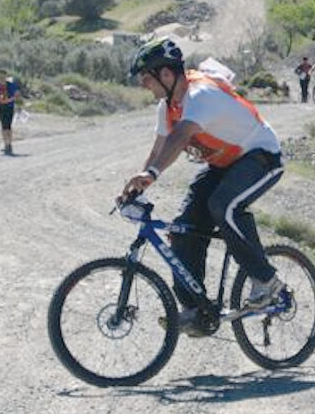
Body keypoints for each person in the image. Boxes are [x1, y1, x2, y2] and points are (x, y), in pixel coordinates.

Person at [120, 37, 285, 337]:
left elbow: (181, 136)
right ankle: (196, 310)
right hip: (225, 164)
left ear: (166, 75)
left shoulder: (201, 95)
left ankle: (266, 280)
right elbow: (160, 146)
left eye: (146, 78)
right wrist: (139, 184)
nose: (144, 85)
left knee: (223, 206)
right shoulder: (167, 106)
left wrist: (153, 173)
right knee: (182, 229)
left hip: (261, 156)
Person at [0, 72, 21, 155]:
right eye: (0, 76)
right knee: (3, 126)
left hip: (9, 107)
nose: (2, 78)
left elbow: (17, 95)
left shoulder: (11, 85)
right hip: (1, 107)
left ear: (6, 76)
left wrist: (13, 101)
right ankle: (6, 144)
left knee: (8, 126)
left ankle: (9, 144)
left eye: (3, 76)